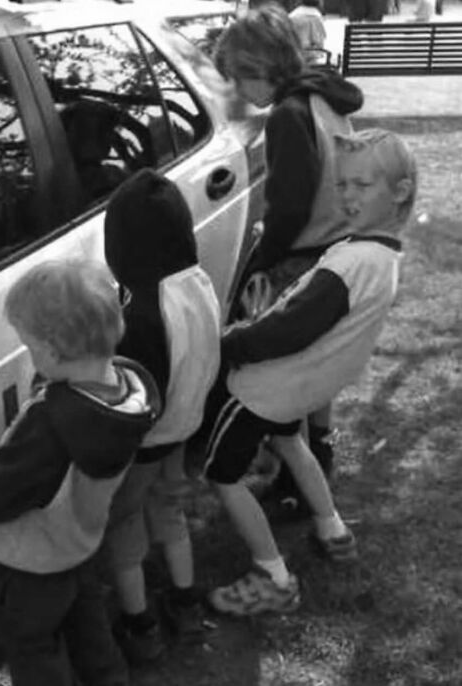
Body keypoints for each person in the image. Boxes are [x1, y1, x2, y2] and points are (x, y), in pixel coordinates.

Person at [203, 128, 417, 616]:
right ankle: (332, 529)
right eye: (343, 185)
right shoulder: (382, 256)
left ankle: (272, 575)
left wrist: (230, 342)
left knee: (223, 476)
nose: (347, 196)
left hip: (263, 387)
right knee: (291, 441)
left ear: (400, 191)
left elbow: (287, 331)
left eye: (362, 186)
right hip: (306, 386)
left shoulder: (349, 264)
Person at [0, 258, 161, 686]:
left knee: (35, 653)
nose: (30, 356)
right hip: (79, 548)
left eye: (29, 347)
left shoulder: (51, 425)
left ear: (51, 351)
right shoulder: (127, 392)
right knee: (90, 634)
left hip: (25, 568)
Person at [213, 3, 364, 519]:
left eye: (237, 79)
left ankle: (297, 474)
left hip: (305, 258)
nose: (238, 93)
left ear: (259, 70)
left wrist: (264, 252)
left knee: (291, 368)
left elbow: (291, 205)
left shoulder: (287, 116)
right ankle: (319, 451)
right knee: (319, 364)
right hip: (341, 245)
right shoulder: (325, 95)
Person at [102, 169, 221, 663]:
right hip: (185, 423)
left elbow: (137, 393)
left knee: (125, 521)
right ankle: (186, 601)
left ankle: (139, 623)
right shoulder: (197, 281)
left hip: (147, 439)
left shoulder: (142, 312)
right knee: (170, 509)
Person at [289, 0, 327, 65]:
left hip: (293, 55)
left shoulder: (292, 15)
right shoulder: (316, 16)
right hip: (310, 57)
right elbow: (319, 42)